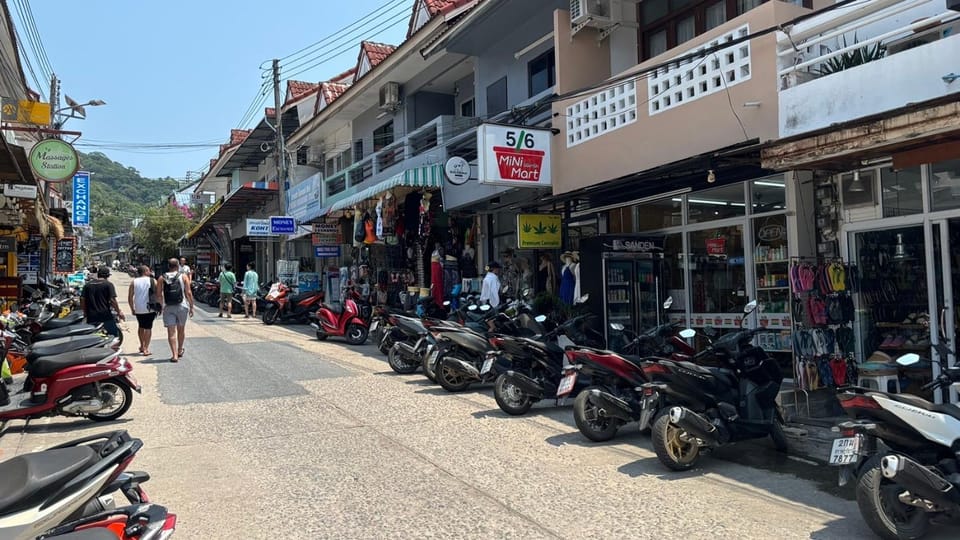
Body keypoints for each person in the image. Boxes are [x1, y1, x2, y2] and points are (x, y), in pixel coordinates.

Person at [157, 258, 195, 363]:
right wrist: (191, 306)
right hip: (182, 306)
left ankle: (174, 355)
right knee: (181, 329)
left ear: (168, 266)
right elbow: (188, 293)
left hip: (168, 307)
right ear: (178, 266)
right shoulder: (183, 276)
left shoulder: (161, 278)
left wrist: (161, 306)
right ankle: (180, 349)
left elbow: (159, 294)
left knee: (171, 332)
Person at [81, 266, 125, 339]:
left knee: (92, 336)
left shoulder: (87, 285)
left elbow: (82, 300)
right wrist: (119, 312)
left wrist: (85, 312)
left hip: (91, 315)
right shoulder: (108, 284)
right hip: (105, 315)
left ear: (98, 274)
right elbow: (112, 300)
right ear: (107, 275)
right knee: (114, 336)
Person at [127, 265, 158, 355]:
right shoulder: (153, 281)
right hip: (150, 308)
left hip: (139, 309)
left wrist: (132, 308)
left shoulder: (134, 282)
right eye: (148, 270)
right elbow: (159, 293)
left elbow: (130, 297)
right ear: (145, 272)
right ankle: (146, 349)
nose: (150, 272)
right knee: (148, 328)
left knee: (141, 326)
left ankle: (141, 345)